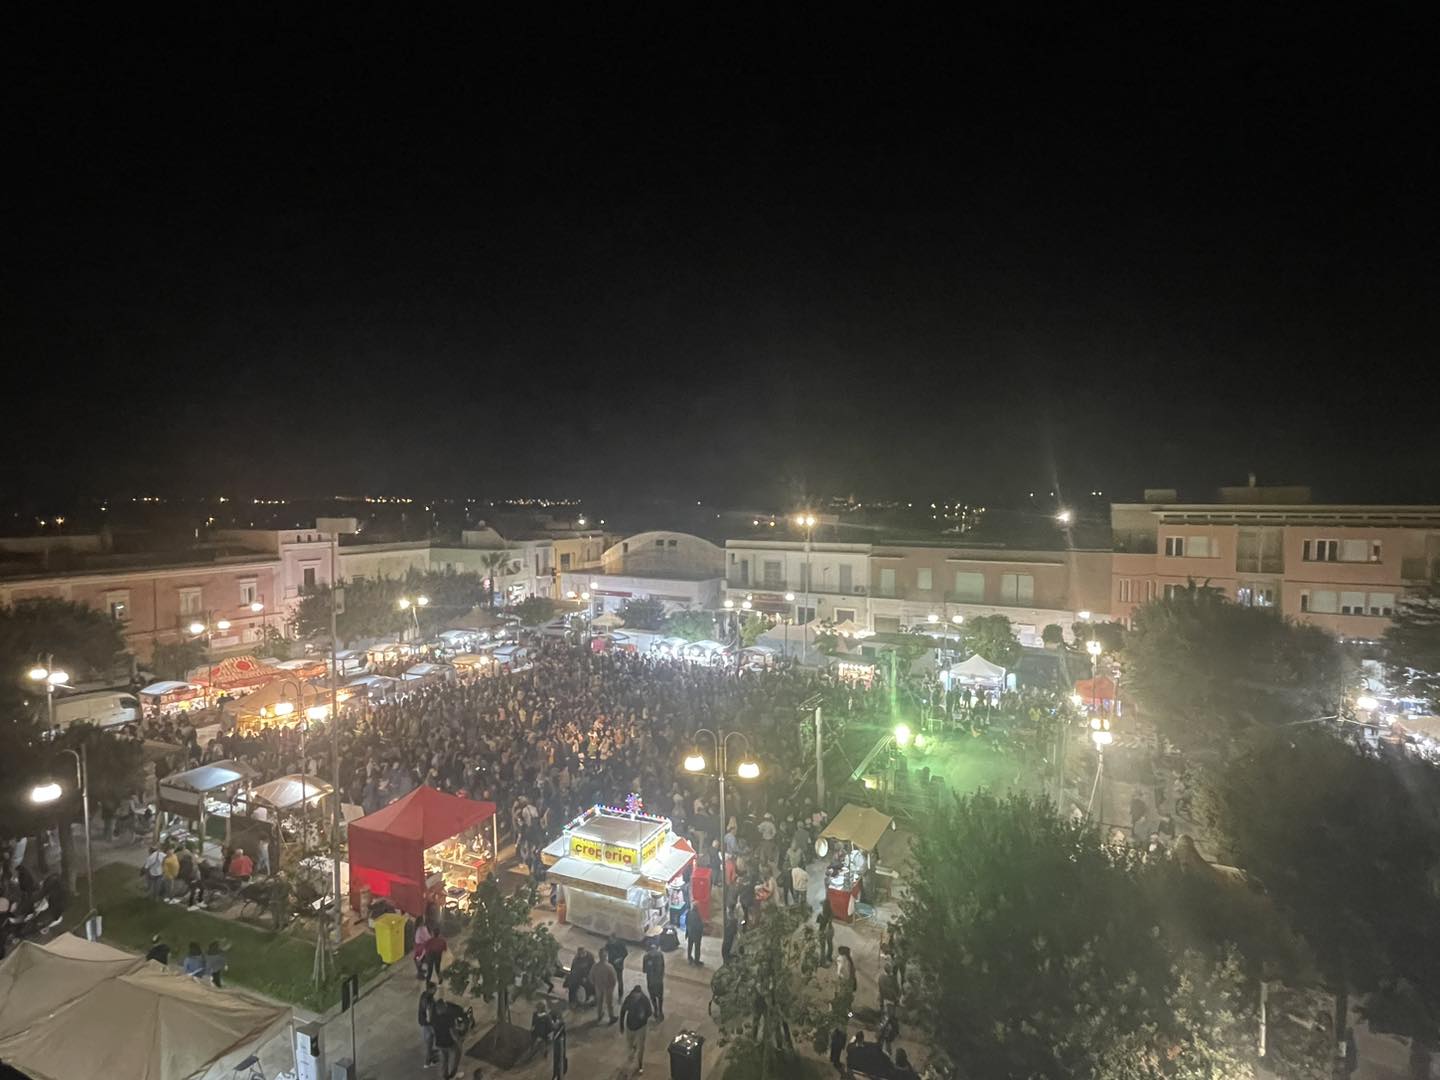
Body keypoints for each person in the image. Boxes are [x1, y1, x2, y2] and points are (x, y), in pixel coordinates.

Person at [619, 984, 652, 1074]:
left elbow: (649, 1012)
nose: (636, 997)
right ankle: (633, 1048)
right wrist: (621, 1025)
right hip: (630, 1025)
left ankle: (640, 1064)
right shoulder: (629, 998)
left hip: (641, 1027)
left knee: (641, 1047)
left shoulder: (644, 1000)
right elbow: (623, 1011)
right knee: (629, 1043)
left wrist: (643, 1016)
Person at [431, 988, 462, 1079]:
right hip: (449, 1043)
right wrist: (458, 1041)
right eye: (445, 1006)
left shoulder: (434, 1018)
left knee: (444, 1061)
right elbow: (452, 1032)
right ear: (442, 1008)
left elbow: (433, 1030)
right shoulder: (448, 1018)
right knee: (455, 1058)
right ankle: (453, 1074)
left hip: (440, 1043)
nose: (446, 1007)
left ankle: (445, 1077)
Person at [590, 945, 617, 1024]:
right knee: (609, 1003)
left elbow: (591, 977)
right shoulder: (609, 967)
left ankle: (599, 1015)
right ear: (606, 957)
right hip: (608, 988)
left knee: (599, 1002)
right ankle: (611, 1017)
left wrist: (595, 984)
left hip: (598, 987)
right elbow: (614, 979)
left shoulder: (595, 966)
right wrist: (612, 987)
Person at [642, 939, 665, 1021]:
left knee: (653, 997)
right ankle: (660, 1011)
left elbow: (644, 970)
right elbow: (663, 967)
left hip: (651, 981)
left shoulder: (646, 957)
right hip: (659, 980)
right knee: (660, 997)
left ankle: (655, 1010)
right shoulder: (660, 955)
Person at [418, 981, 438, 1068]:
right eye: (435, 988)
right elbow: (428, 1012)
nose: (436, 989)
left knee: (431, 1041)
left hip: (424, 1022)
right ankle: (427, 1062)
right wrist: (433, 1024)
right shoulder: (428, 999)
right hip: (427, 1024)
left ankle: (432, 1059)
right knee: (429, 1043)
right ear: (431, 989)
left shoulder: (425, 994)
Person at [548, 1009, 568, 1080]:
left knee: (560, 1057)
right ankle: (555, 1074)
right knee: (556, 1058)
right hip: (557, 1043)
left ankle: (559, 1075)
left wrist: (554, 1037)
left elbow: (559, 1033)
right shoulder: (554, 1023)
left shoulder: (561, 1023)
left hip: (561, 1042)